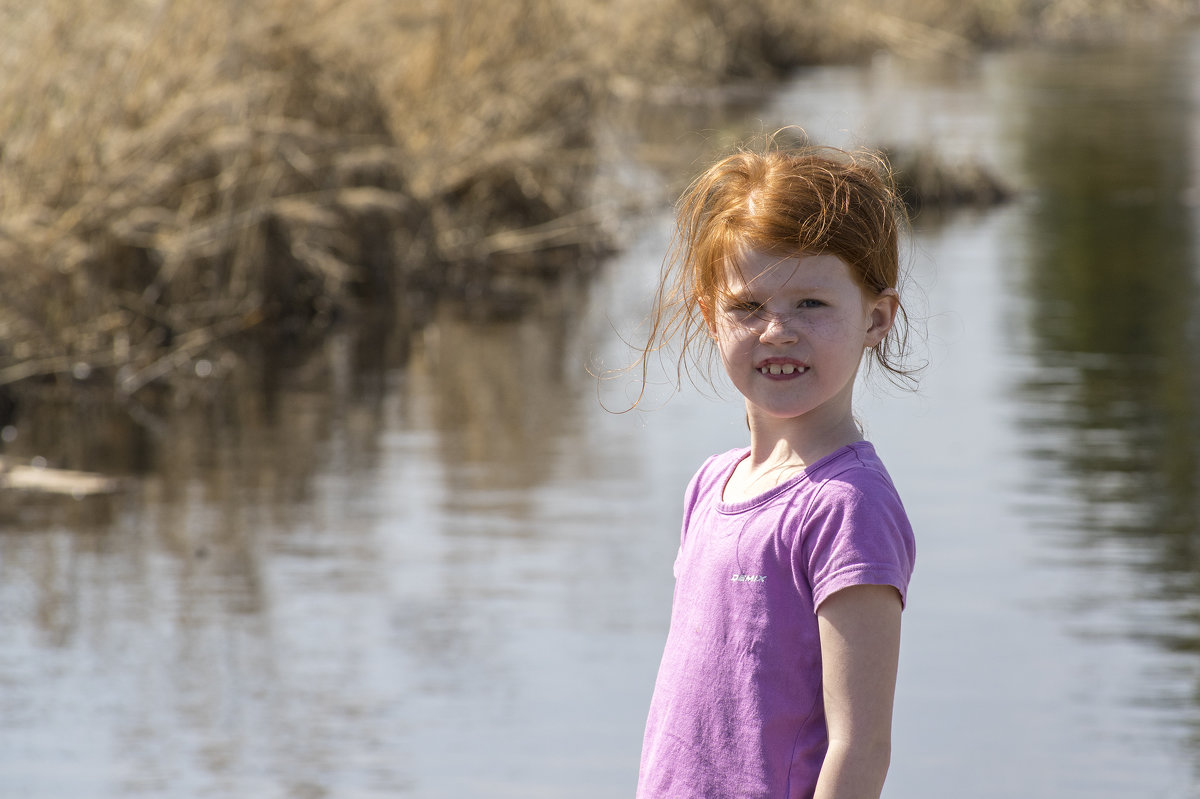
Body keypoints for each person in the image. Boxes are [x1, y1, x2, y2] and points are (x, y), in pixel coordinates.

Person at [633, 136, 918, 799]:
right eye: (748, 306)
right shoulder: (711, 484)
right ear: (709, 315)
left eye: (811, 304)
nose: (778, 331)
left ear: (876, 317)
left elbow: (861, 746)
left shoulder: (847, 505)